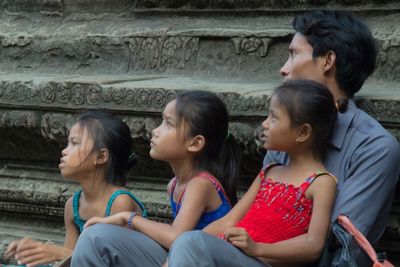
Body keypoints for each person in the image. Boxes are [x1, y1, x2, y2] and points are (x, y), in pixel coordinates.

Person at [264, 10, 400, 256]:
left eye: (294, 54)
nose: (284, 69)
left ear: (327, 61)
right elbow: (258, 216)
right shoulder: (282, 130)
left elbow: (336, 244)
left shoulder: (375, 148)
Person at [168, 79, 339, 267]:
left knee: (188, 242)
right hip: (233, 255)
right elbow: (230, 220)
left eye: (273, 118)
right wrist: (177, 252)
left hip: (261, 261)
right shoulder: (270, 172)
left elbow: (313, 246)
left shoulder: (321, 182)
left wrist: (257, 248)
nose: (265, 124)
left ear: (303, 132)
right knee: (183, 241)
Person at [70, 90, 241, 267]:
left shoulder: (201, 184)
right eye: (161, 121)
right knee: (95, 236)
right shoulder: (174, 185)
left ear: (195, 143)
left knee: (98, 237)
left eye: (168, 124)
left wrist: (128, 218)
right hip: (182, 258)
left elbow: (175, 236)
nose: (156, 131)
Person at [4, 111, 147, 267]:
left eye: (75, 143)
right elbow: (72, 263)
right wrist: (33, 253)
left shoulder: (120, 202)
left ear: (101, 157)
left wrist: (56, 252)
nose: (64, 151)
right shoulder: (73, 205)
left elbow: (115, 261)